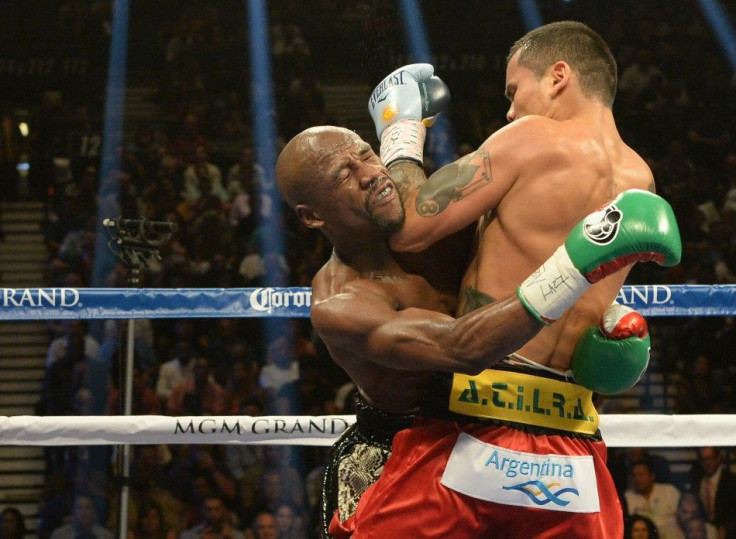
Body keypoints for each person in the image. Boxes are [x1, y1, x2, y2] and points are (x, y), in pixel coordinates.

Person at [345, 20, 680, 538]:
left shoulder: (531, 139)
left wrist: (400, 131)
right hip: (569, 444)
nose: (509, 109)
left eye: (514, 90)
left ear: (558, 76)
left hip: (471, 419)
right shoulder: (641, 180)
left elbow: (409, 228)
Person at [276, 124, 678, 539]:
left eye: (366, 153)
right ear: (312, 215)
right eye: (344, 174)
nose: (370, 172)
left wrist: (598, 311)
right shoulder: (340, 303)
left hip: (504, 426)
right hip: (403, 450)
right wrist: (576, 265)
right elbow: (460, 346)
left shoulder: (440, 228)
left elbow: (515, 251)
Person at [686, 446, 736, 537]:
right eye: (703, 460)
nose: (707, 463)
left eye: (710, 459)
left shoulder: (732, 481)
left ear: (718, 458)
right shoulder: (696, 479)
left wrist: (726, 528)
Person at [625, 460, 682, 539]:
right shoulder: (627, 498)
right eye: (634, 476)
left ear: (652, 476)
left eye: (641, 475)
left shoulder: (670, 491)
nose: (637, 479)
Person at [179, 494, 244, 539]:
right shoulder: (189, 536)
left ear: (223, 510)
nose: (213, 514)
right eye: (208, 510)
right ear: (203, 511)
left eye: (217, 509)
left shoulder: (236, 536)